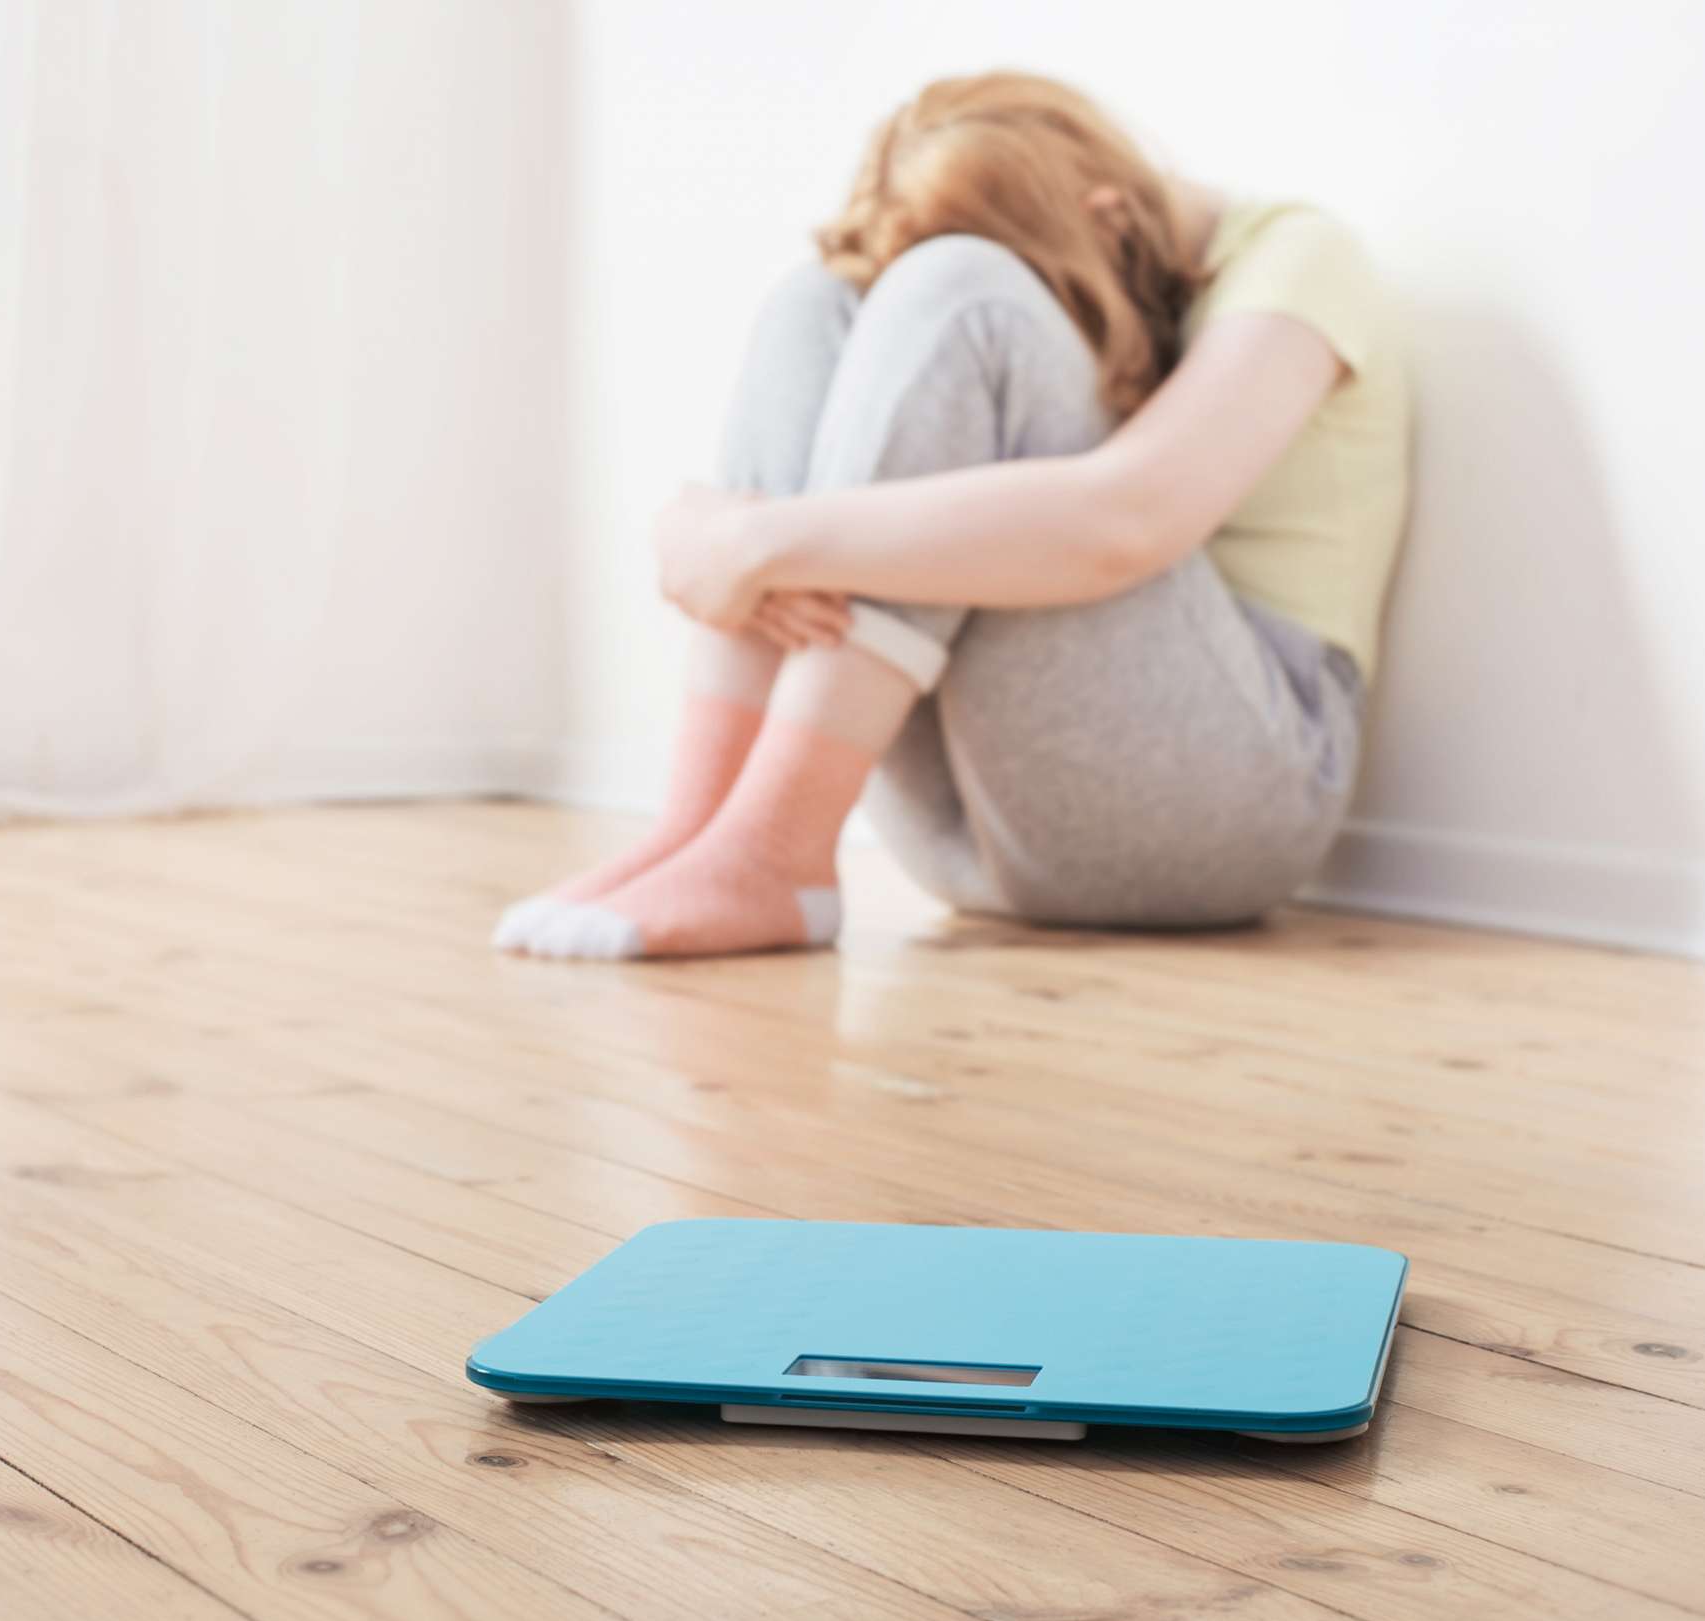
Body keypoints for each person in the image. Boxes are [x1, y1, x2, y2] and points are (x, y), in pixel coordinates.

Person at [497, 72, 1411, 961]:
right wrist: (738, 548)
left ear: (1104, 214)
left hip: (1231, 807)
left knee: (963, 291)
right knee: (815, 303)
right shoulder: (1116, 249)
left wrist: (747, 542)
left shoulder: (1298, 256)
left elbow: (1130, 519)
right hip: (970, 827)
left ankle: (773, 848)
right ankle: (705, 833)